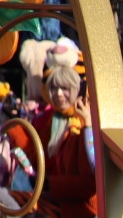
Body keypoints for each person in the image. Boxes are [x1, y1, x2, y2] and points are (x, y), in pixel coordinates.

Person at [26, 65, 98, 217]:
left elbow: (89, 183)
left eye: (65, 88)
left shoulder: (84, 124)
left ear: (78, 90)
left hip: (83, 210)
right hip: (60, 202)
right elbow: (38, 159)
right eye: (54, 88)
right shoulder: (52, 121)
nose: (58, 93)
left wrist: (49, 184)